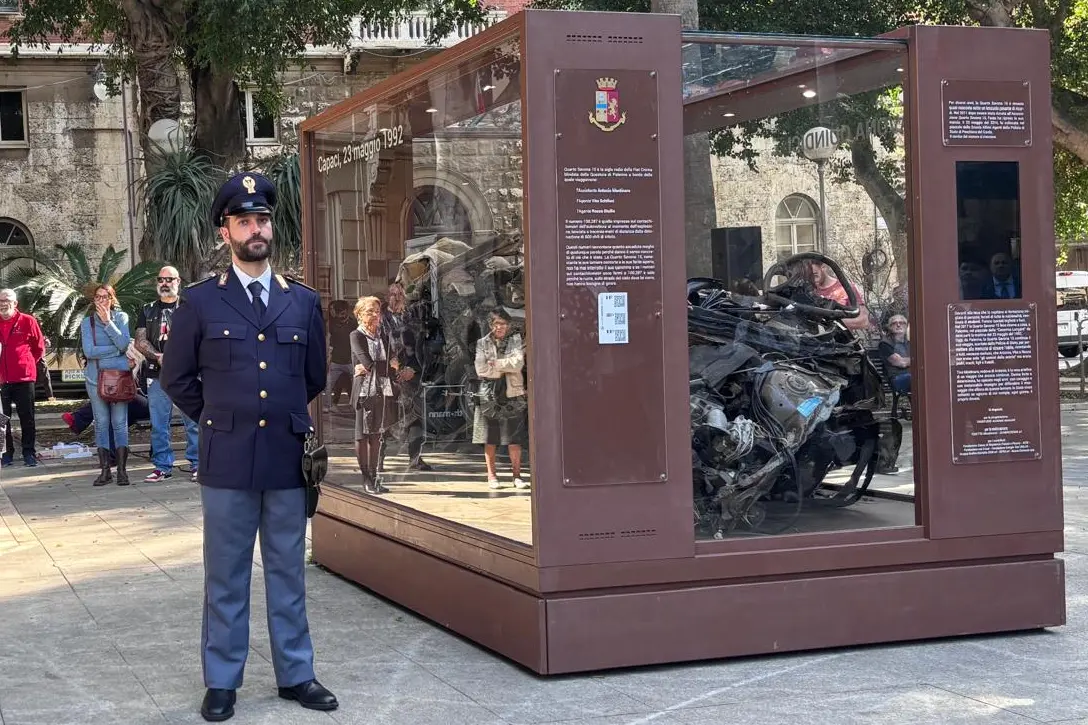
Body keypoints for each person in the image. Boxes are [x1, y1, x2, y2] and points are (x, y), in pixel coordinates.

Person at [160, 171, 336, 722]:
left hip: (286, 459)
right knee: (226, 575)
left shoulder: (302, 302)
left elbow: (312, 379)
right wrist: (218, 419)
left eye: (262, 220)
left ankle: (296, 673)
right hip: (227, 459)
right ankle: (222, 680)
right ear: (225, 231)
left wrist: (272, 417)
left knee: (288, 571)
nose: (255, 229)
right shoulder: (199, 303)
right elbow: (177, 377)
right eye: (244, 221)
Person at [136, 266, 201, 482]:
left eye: (169, 279)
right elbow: (140, 341)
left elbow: (201, 337)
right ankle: (162, 466)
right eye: (161, 279)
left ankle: (197, 464)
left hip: (187, 374)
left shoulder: (190, 308)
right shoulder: (147, 310)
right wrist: (158, 355)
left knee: (193, 421)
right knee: (159, 423)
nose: (164, 283)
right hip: (157, 374)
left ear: (178, 281)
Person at [473, 308, 529, 489]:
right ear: (491, 325)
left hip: (513, 392)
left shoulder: (515, 340)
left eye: (504, 324)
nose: (500, 327)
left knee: (515, 437)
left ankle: (517, 476)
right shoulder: (482, 343)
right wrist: (506, 365)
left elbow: (518, 363)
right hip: (489, 393)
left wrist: (496, 363)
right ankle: (491, 476)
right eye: (497, 323)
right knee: (490, 437)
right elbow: (481, 369)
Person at [350, 295, 401, 494]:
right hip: (364, 391)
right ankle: (365, 478)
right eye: (369, 311)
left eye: (377, 312)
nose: (374, 315)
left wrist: (387, 365)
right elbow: (368, 363)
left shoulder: (383, 335)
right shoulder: (356, 335)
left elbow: (394, 362)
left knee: (377, 434)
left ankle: (374, 476)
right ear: (360, 314)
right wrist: (386, 365)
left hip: (383, 389)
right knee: (362, 434)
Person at [0, 288, 45, 467]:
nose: (3, 303)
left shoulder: (27, 321)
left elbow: (39, 347)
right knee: (2, 420)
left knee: (27, 417)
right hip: (2, 379)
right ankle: (6, 454)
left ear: (15, 303)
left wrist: (26, 362)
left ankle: (28, 453)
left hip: (24, 378)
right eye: (0, 300)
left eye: (7, 300)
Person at [807, 261, 870, 331]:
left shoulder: (845, 288)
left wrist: (832, 323)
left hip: (839, 340)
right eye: (810, 276)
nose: (813, 280)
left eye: (816, 275)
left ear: (823, 268)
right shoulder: (808, 291)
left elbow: (863, 321)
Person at [323, 300, 354, 409]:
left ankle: (357, 407)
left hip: (350, 361)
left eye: (343, 312)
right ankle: (328, 405)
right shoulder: (332, 324)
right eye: (339, 312)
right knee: (328, 385)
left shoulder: (353, 323)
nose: (341, 314)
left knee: (357, 385)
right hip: (336, 361)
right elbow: (330, 341)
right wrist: (328, 357)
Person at [877, 313, 911, 394]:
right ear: (890, 327)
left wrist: (908, 360)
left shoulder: (911, 341)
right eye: (894, 323)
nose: (898, 325)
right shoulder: (885, 344)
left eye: (902, 323)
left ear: (906, 326)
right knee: (921, 378)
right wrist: (915, 359)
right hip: (897, 379)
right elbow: (901, 363)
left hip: (912, 376)